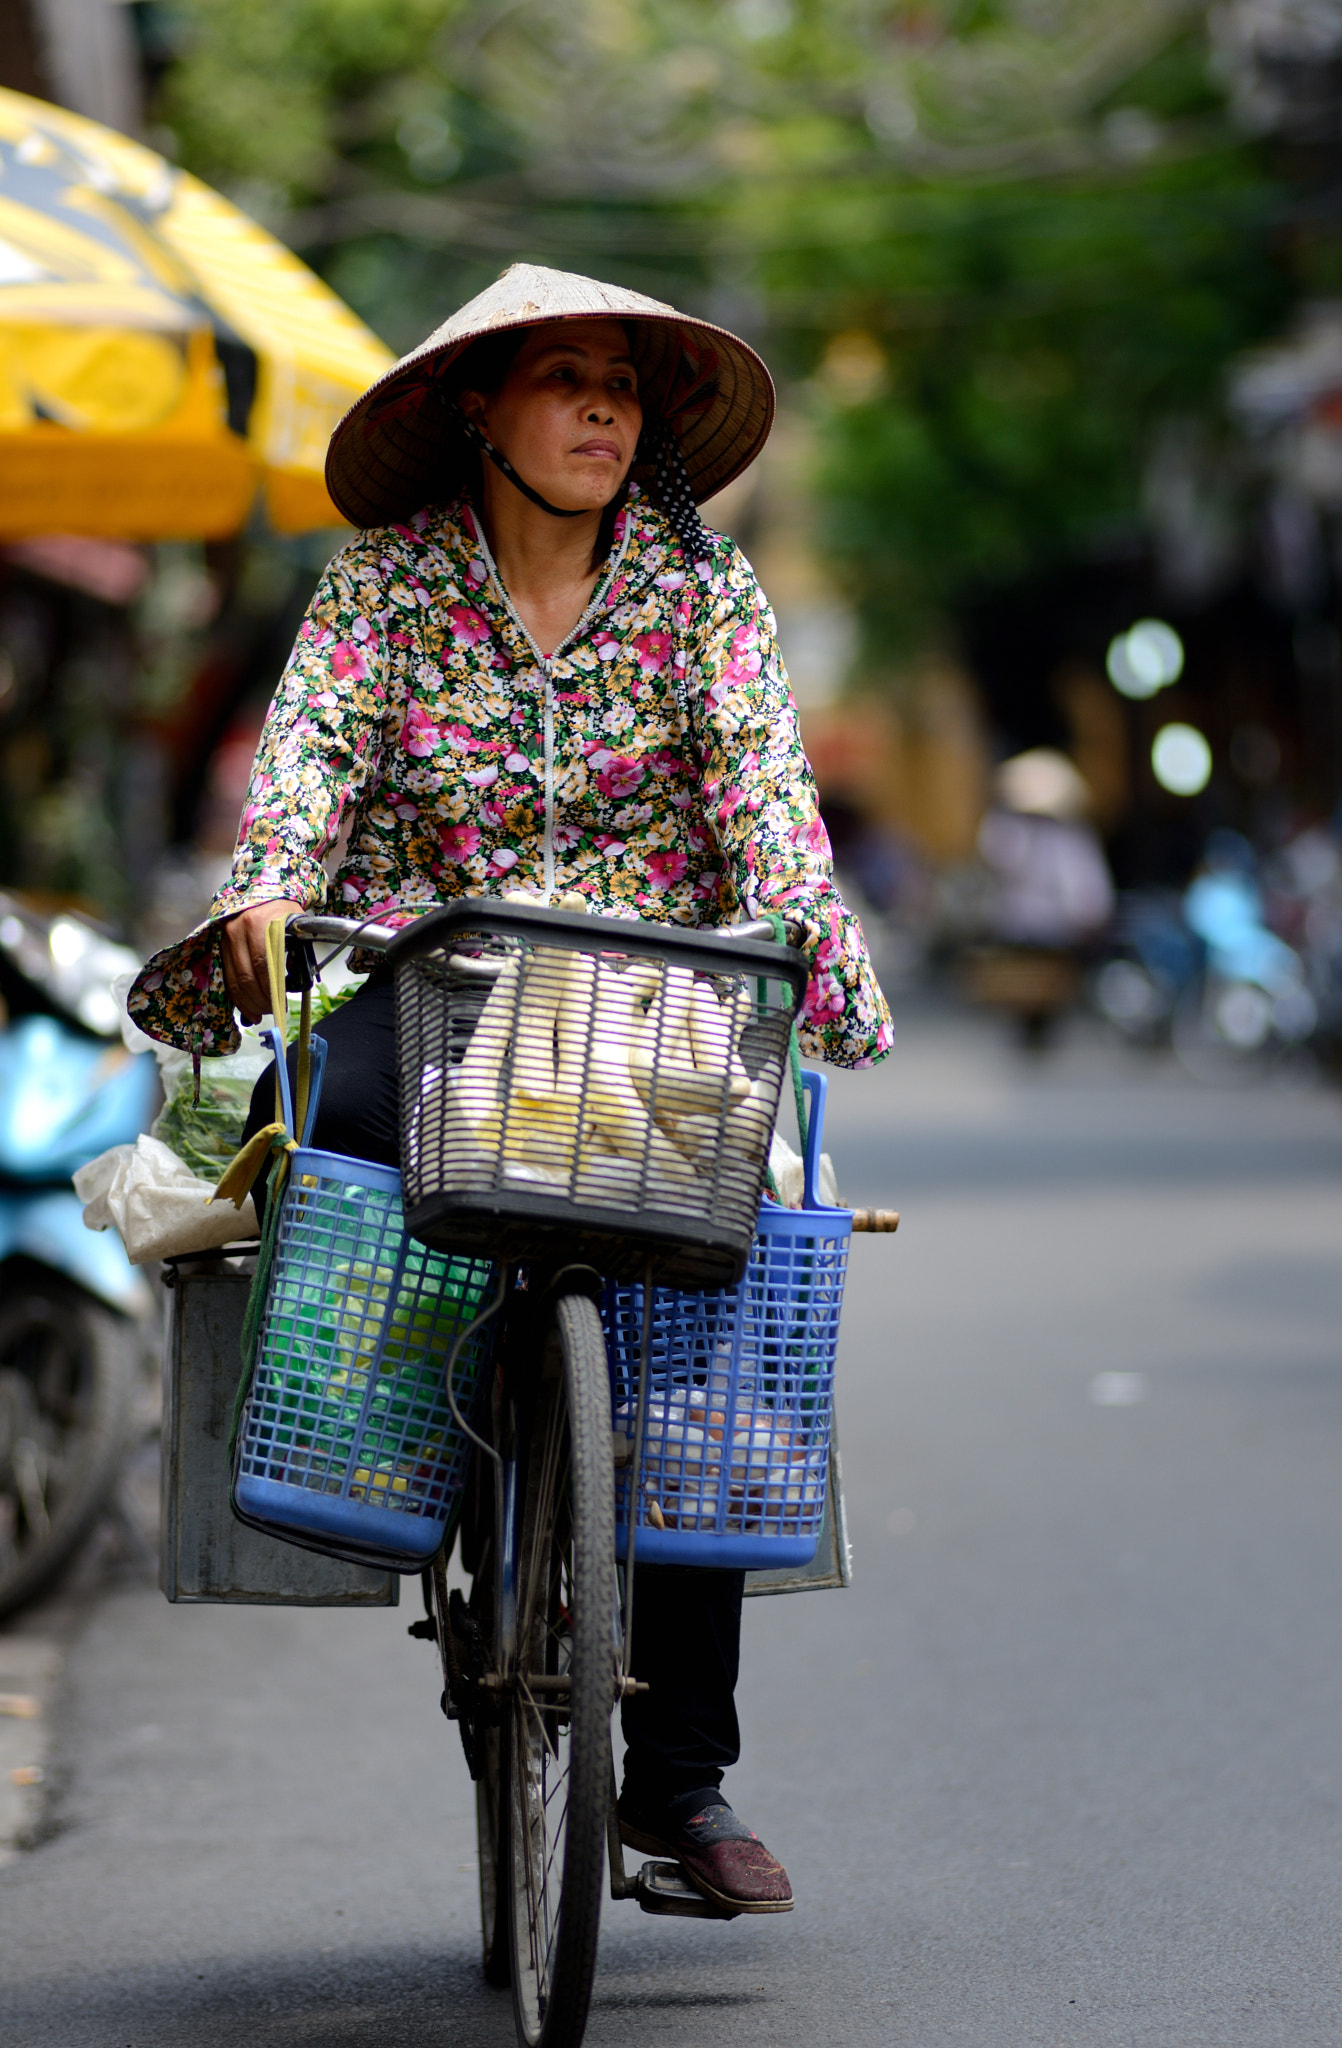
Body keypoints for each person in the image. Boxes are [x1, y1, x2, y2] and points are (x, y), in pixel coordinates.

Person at [128, 263, 892, 1914]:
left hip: (653, 1023)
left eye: (625, 384)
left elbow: (769, 799)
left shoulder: (707, 596)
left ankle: (679, 1783)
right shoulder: (381, 595)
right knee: (357, 1218)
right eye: (564, 377)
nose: (604, 408)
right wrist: (269, 888)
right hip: (436, 999)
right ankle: (433, 1503)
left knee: (710, 1325)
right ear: (480, 406)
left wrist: (807, 935)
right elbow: (308, 773)